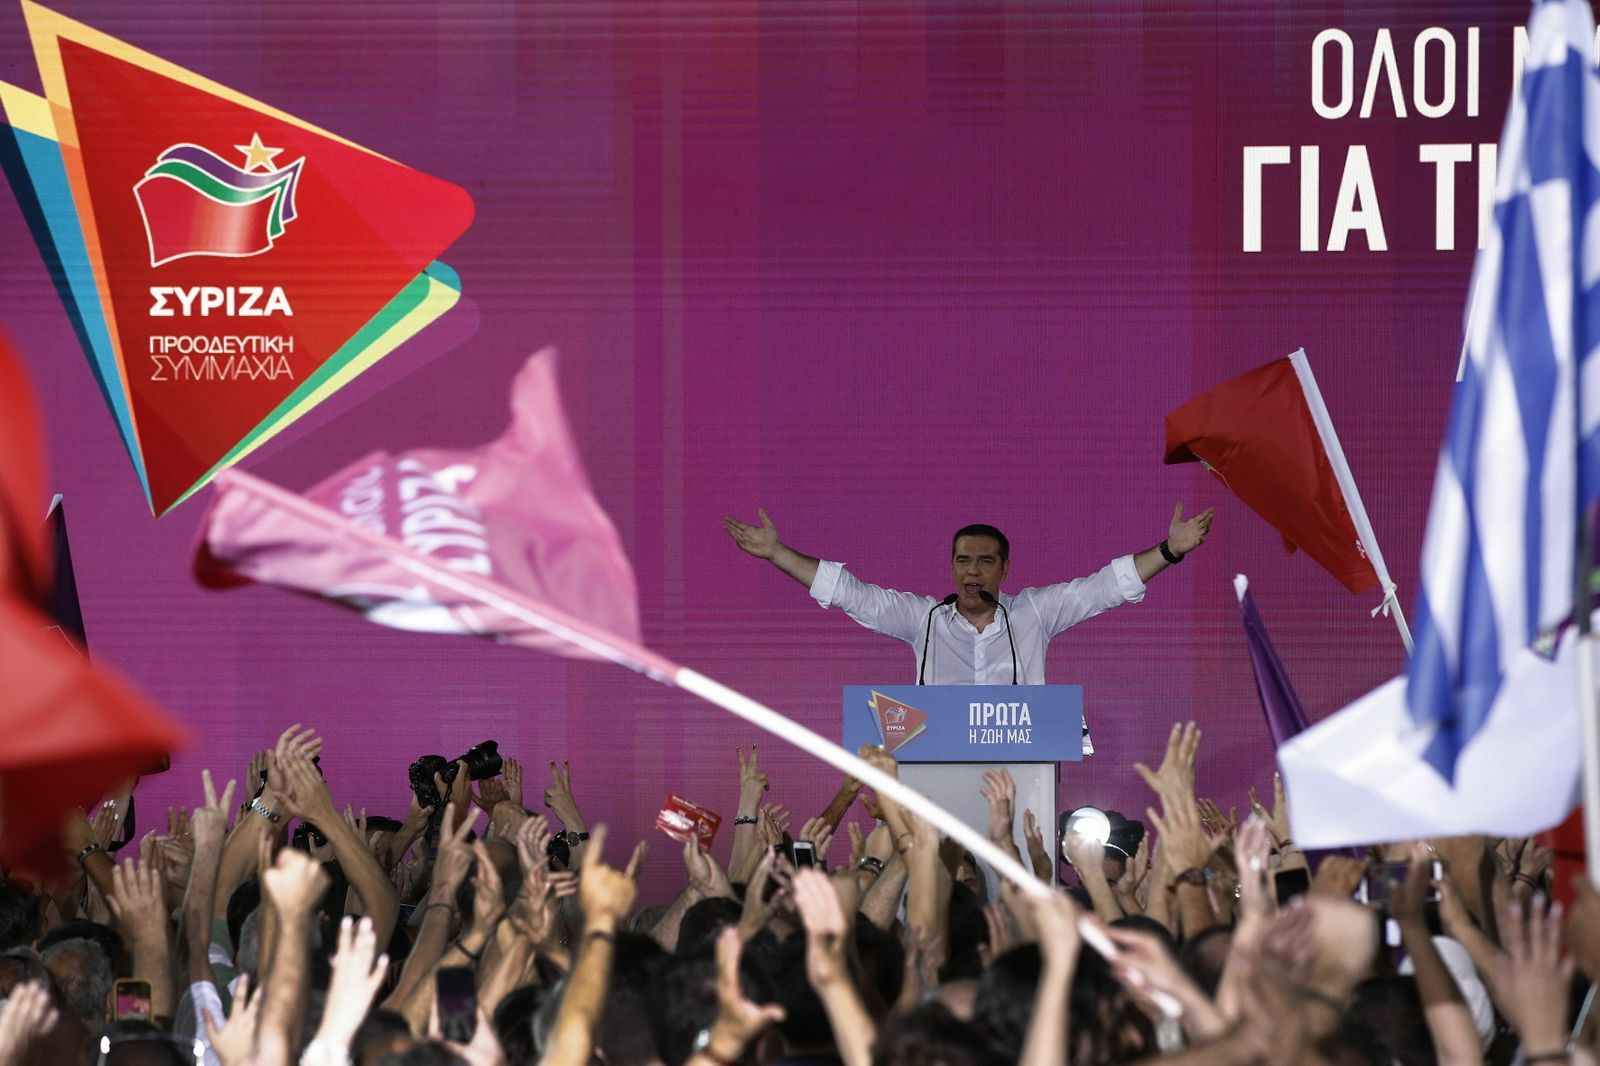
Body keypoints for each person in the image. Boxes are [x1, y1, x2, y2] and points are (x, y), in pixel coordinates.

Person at [720, 505, 1213, 686]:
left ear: (1004, 569)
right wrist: (777, 553)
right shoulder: (924, 620)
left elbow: (1103, 588)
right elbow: (852, 594)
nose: (971, 572)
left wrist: (1170, 550)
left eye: (983, 562)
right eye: (962, 561)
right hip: (936, 776)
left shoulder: (1033, 614)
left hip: (1019, 779)